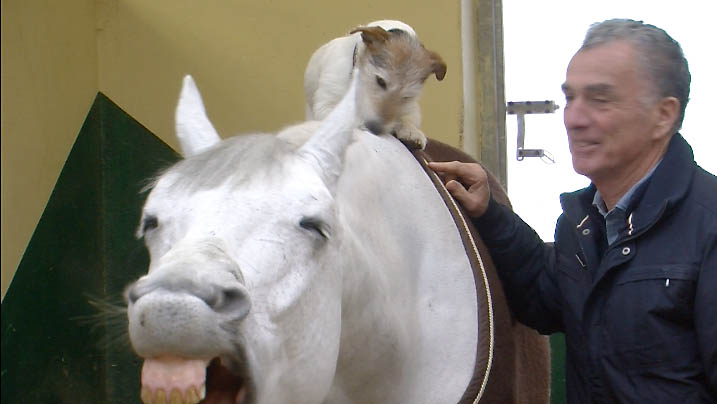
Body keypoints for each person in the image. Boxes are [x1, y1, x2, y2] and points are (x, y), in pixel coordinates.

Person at [429, 19, 716, 403]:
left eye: (600, 99)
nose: (574, 119)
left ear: (663, 116)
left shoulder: (709, 224)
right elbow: (543, 297)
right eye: (570, 98)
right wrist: (489, 214)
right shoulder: (581, 224)